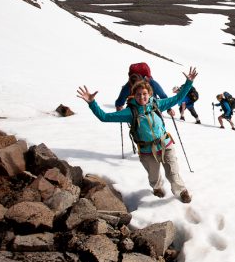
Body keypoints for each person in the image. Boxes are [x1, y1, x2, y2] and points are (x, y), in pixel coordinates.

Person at [77, 67, 198, 203]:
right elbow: (105, 117)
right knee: (153, 175)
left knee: (173, 172)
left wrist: (188, 83)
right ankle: (157, 188)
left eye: (144, 93)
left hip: (165, 144)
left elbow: (177, 98)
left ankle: (181, 191)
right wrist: (92, 103)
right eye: (138, 94)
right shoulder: (130, 112)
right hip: (147, 150)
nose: (142, 97)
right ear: (134, 95)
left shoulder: (157, 104)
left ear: (150, 93)